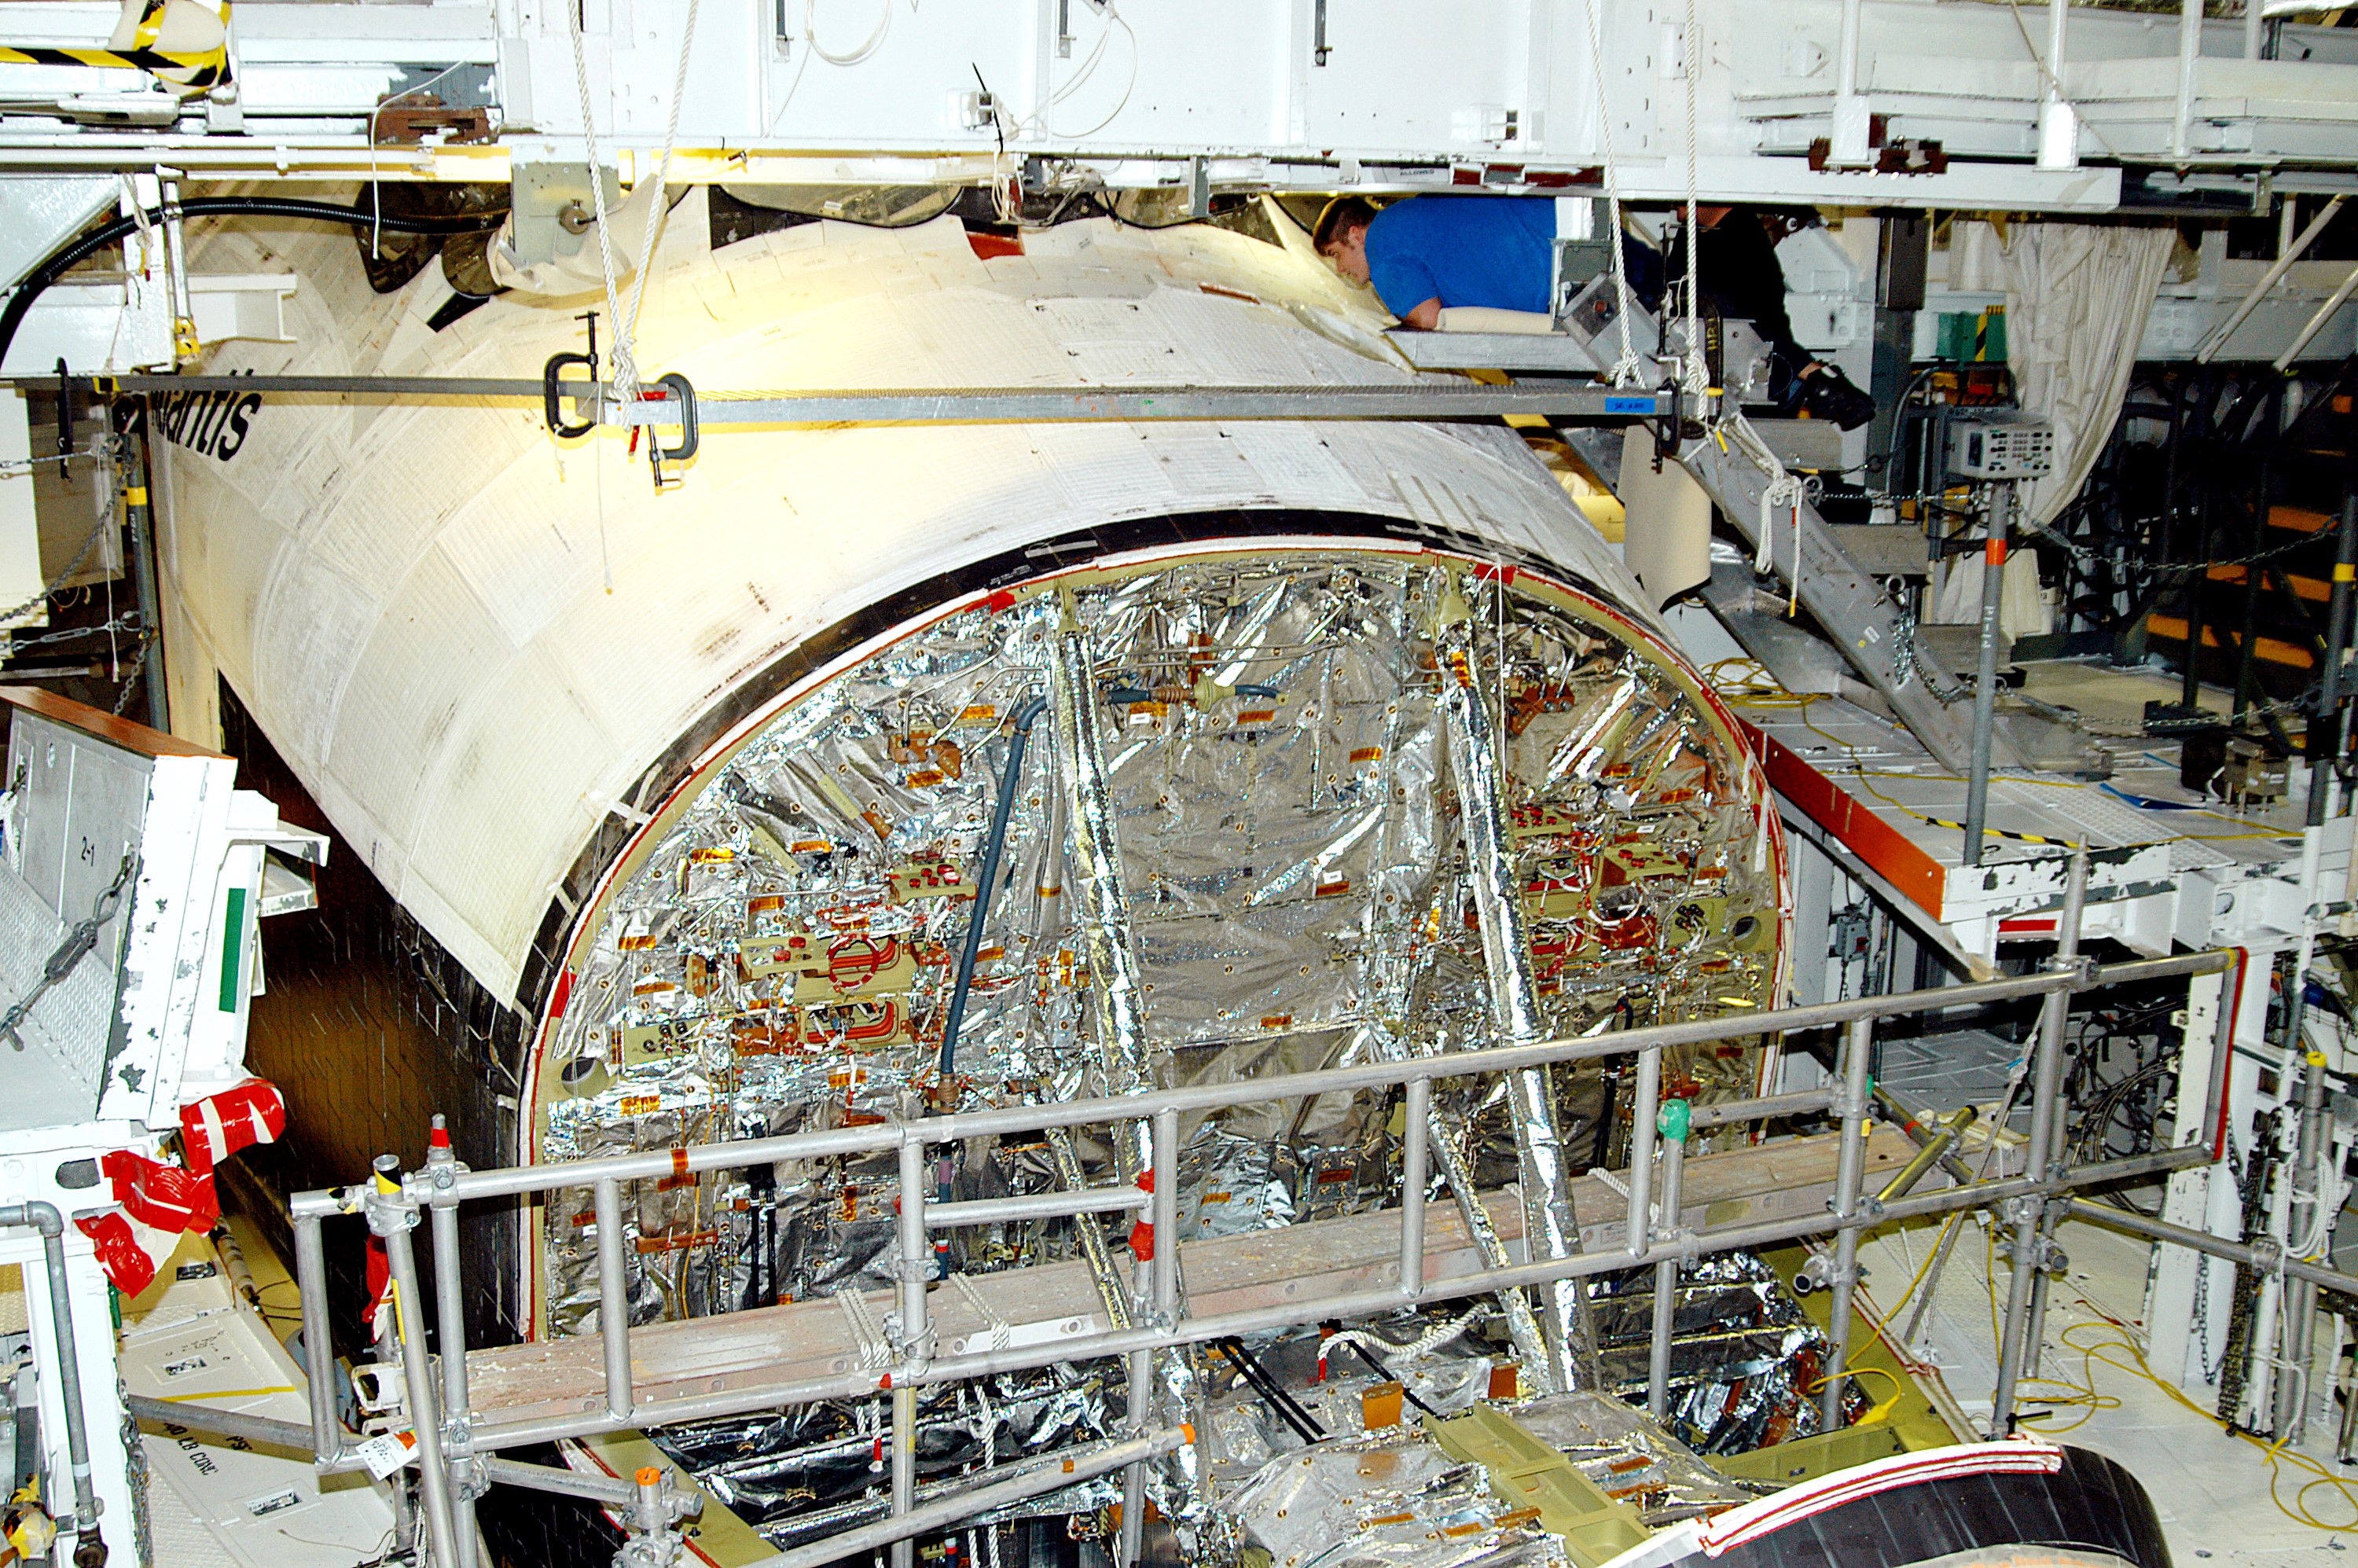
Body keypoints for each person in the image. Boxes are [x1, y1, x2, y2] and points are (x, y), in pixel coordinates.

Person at [1313, 194, 1875, 430]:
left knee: (1698, 316)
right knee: (1688, 301)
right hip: (1583, 233)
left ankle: (1800, 379)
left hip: (1578, 278)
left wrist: (1400, 325)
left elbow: (1429, 320)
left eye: (1339, 256)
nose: (1343, 271)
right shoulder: (1414, 216)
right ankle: (1808, 376)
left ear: (1356, 232)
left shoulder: (1384, 242)